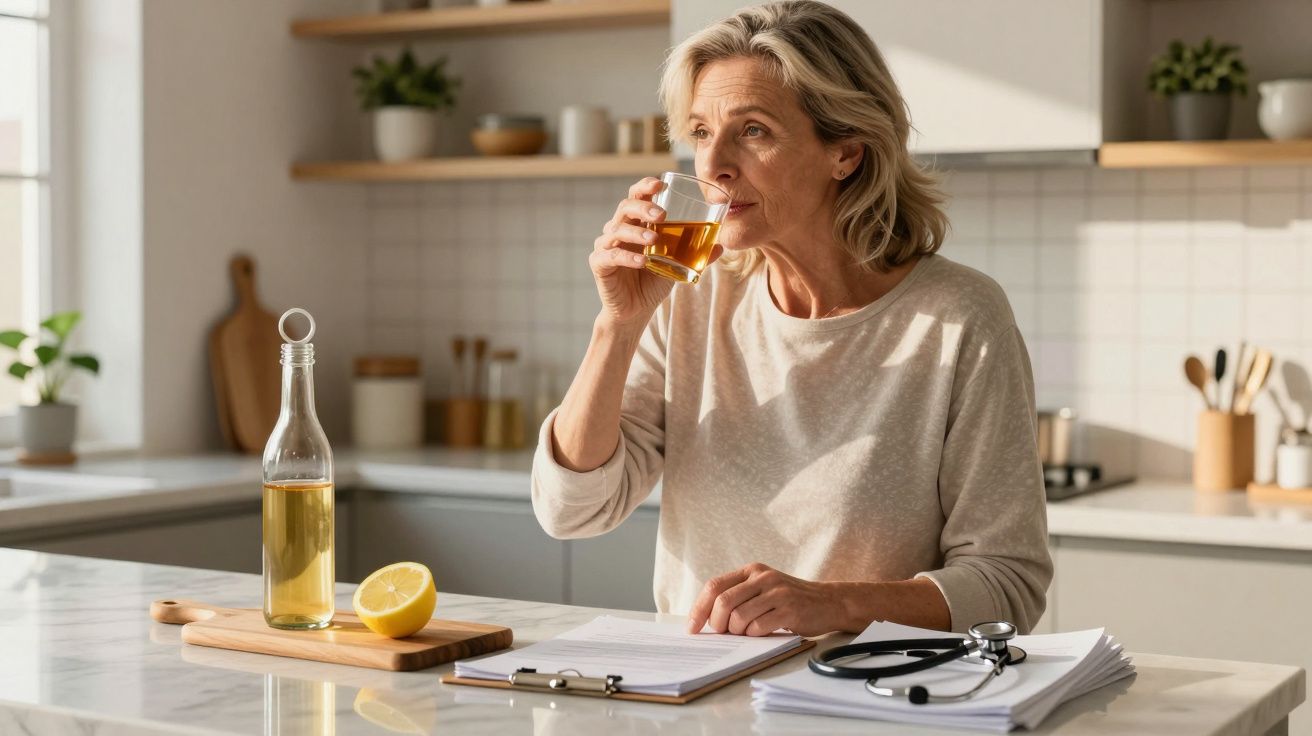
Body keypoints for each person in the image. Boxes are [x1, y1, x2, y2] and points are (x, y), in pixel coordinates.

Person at [530, 0, 1052, 638]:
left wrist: (836, 604)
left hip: (874, 700)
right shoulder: (689, 294)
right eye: (699, 131)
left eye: (752, 131)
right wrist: (619, 325)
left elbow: (1008, 585)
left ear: (846, 153)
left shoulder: (958, 316)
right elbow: (571, 512)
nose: (712, 164)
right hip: (698, 695)